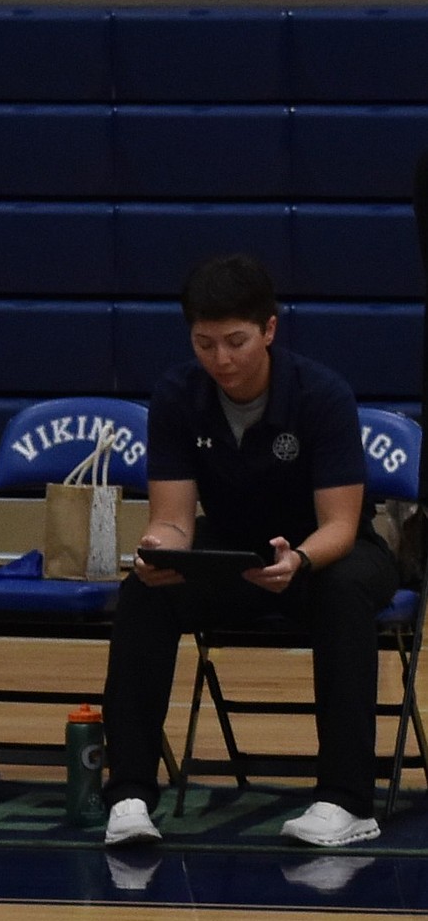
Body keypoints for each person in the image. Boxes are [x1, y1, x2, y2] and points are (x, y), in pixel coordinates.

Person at [101, 254, 398, 851]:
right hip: (235, 552)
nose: (222, 360)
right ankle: (129, 794)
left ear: (269, 329)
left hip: (327, 554)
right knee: (146, 592)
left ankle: (346, 801)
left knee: (343, 595)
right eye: (205, 344)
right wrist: (160, 550)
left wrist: (300, 561)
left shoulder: (321, 394)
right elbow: (174, 520)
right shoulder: (178, 395)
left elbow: (339, 524)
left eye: (236, 341)